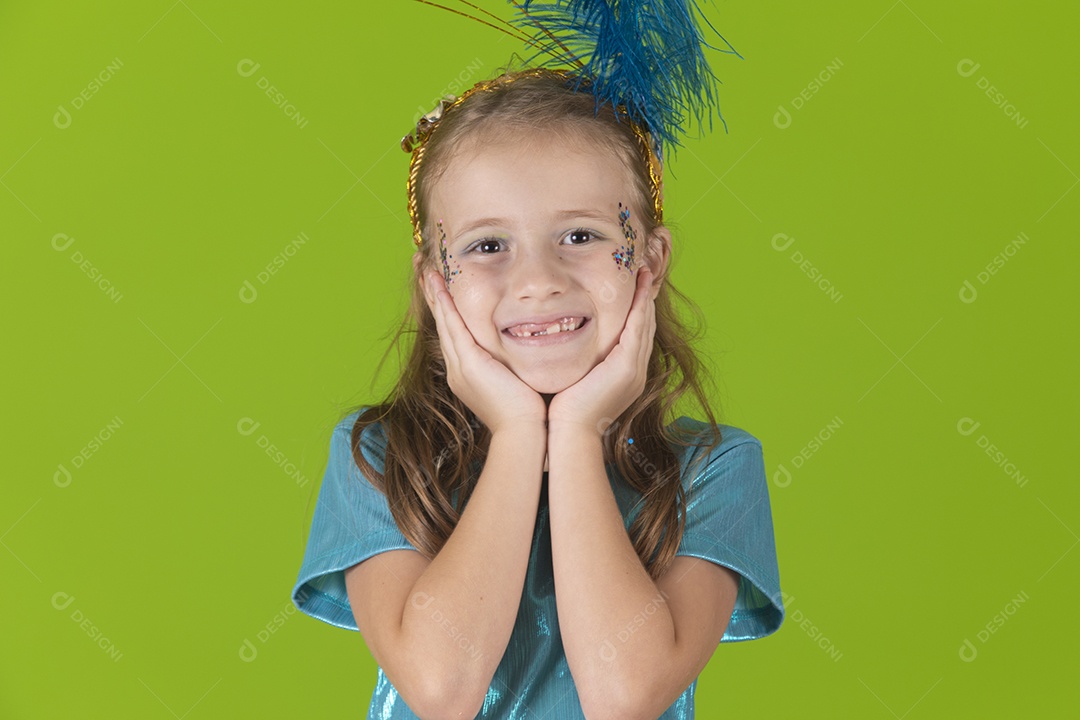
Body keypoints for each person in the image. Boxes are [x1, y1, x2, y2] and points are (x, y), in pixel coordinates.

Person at [292, 6, 783, 720]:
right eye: (488, 246)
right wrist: (522, 433)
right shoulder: (378, 457)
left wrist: (578, 433)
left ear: (649, 261)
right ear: (435, 280)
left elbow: (624, 696)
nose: (537, 280)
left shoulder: (712, 471)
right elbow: (443, 688)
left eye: (580, 235)